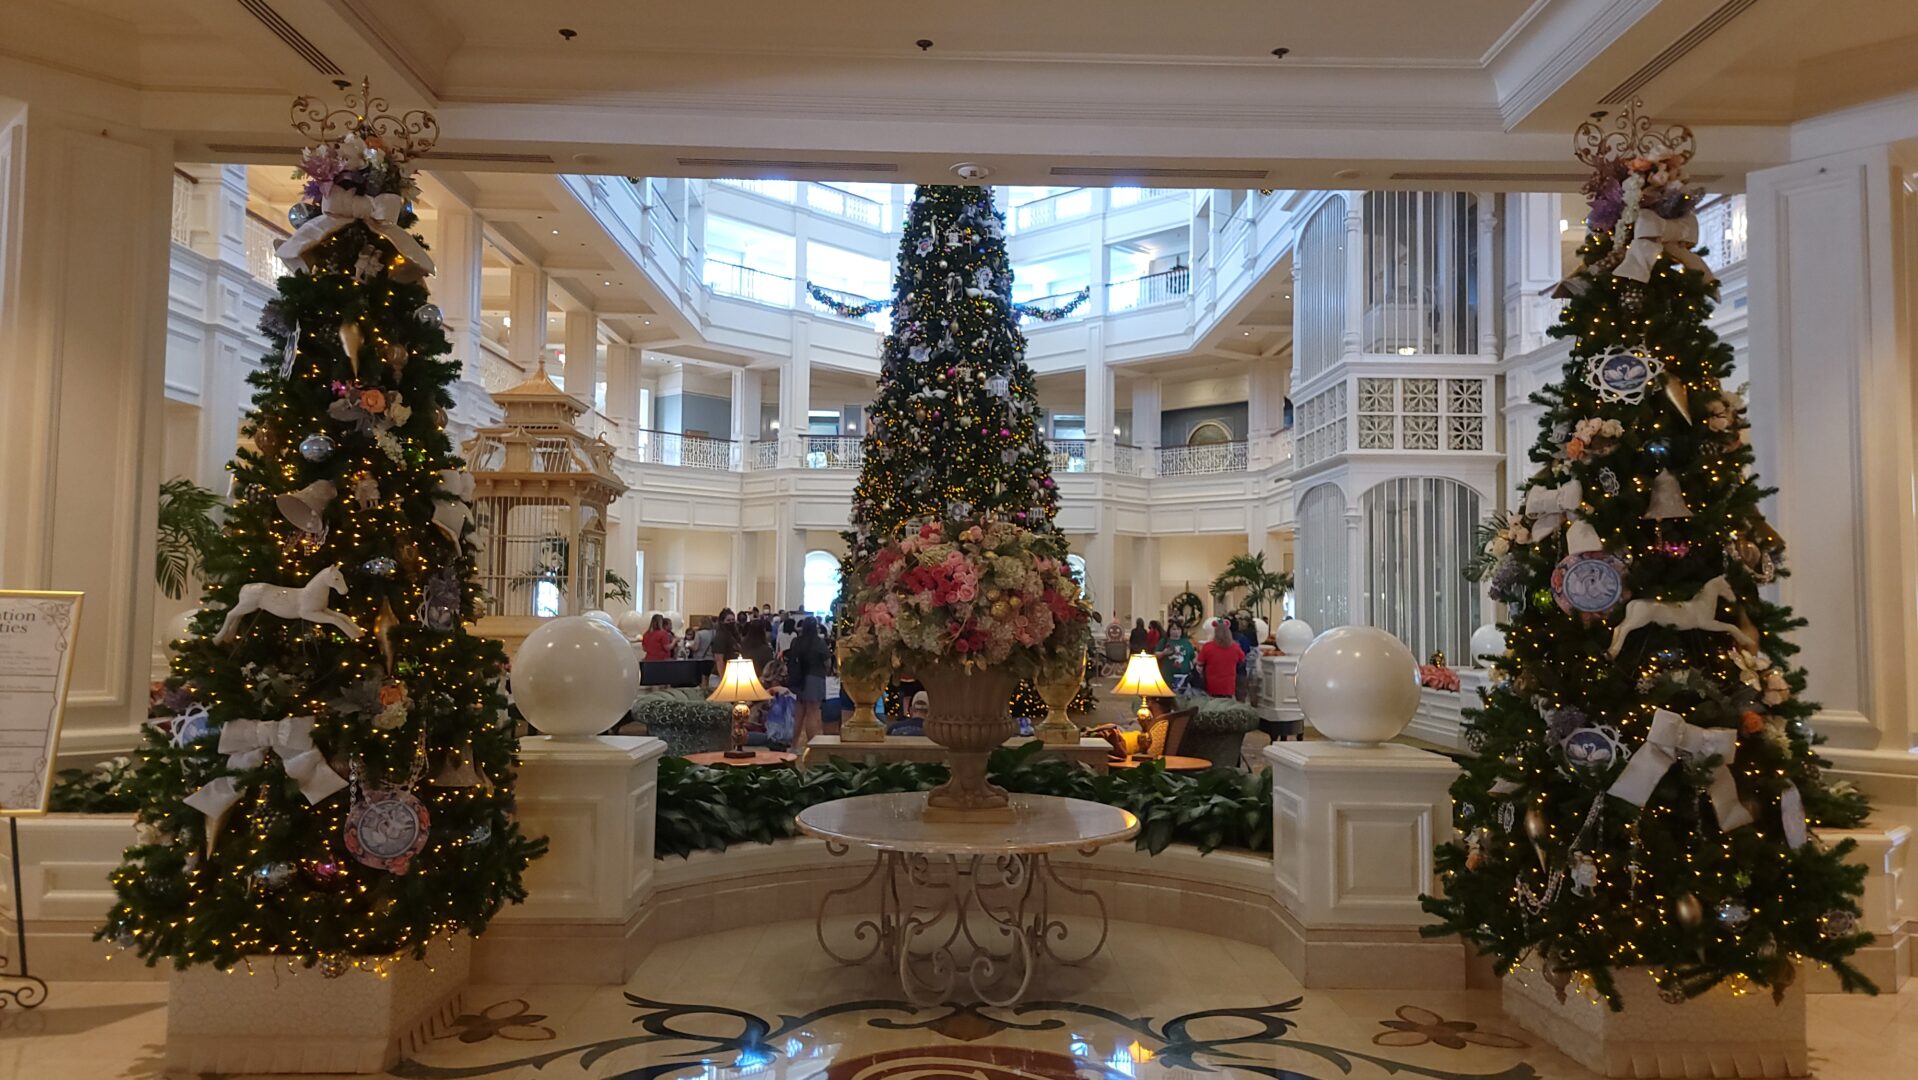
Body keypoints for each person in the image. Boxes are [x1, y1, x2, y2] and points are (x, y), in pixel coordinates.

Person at [783, 617, 831, 752]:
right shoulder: (819, 642)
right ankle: (812, 747)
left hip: (799, 679)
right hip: (815, 678)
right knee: (813, 713)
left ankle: (794, 745)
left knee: (799, 713)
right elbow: (827, 662)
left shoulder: (796, 641)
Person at [1195, 619, 1245, 699]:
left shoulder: (1207, 647)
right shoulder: (1235, 647)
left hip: (1212, 684)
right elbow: (1242, 660)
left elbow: (1199, 662)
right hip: (1228, 685)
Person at [1156, 620, 1195, 691]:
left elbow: (1193, 657)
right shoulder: (1164, 641)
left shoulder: (1186, 642)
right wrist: (1163, 653)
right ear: (1169, 630)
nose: (1176, 631)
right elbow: (1156, 655)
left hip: (1184, 677)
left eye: (1178, 629)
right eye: (1174, 629)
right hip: (1168, 676)